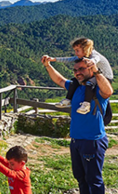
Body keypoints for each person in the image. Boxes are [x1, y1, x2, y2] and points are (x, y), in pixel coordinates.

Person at [42, 55, 112, 194]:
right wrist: (48, 66)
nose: (77, 72)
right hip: (76, 140)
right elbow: (60, 80)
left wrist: (96, 70)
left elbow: (108, 91)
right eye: (75, 70)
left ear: (91, 69)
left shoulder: (97, 90)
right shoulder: (76, 88)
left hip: (92, 141)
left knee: (94, 180)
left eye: (81, 69)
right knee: (81, 178)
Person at [42, 38, 113, 115]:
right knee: (74, 82)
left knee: (89, 84)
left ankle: (86, 104)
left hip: (105, 77)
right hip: (95, 76)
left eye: (77, 50)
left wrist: (92, 62)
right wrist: (53, 59)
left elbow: (96, 59)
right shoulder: (83, 56)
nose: (76, 53)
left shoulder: (94, 55)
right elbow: (69, 59)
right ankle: (68, 100)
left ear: (85, 49)